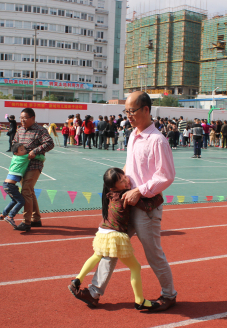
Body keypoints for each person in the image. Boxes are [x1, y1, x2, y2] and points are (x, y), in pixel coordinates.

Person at [73, 92, 177, 311]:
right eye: (126, 111)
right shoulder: (133, 135)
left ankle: (169, 295)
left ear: (146, 110)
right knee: (111, 248)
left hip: (146, 207)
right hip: (126, 204)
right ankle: (93, 292)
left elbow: (166, 176)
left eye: (132, 111)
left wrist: (139, 190)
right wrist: (119, 185)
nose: (128, 116)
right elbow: (130, 167)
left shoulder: (157, 140)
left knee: (153, 253)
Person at [68, 167, 162, 311]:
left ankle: (77, 280)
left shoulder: (109, 194)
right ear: (113, 186)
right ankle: (140, 301)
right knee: (135, 267)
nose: (126, 180)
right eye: (122, 181)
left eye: (124, 177)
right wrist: (159, 196)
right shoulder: (125, 195)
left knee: (96, 255)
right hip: (116, 236)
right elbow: (147, 206)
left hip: (102, 232)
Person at [12, 108, 54, 231]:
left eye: (25, 118)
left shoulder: (40, 130)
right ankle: (36, 219)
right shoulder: (19, 130)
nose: (22, 120)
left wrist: (35, 151)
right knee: (29, 191)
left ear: (33, 118)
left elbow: (50, 143)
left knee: (25, 191)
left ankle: (26, 222)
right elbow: (14, 142)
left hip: (34, 166)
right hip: (21, 166)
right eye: (21, 118)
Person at [0, 143, 46, 228]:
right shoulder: (24, 157)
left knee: (14, 201)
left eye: (24, 149)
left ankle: (3, 214)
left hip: (6, 184)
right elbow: (41, 158)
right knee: (21, 201)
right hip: (10, 186)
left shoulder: (14, 157)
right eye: (22, 150)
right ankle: (10, 216)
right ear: (15, 153)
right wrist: (39, 156)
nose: (25, 151)